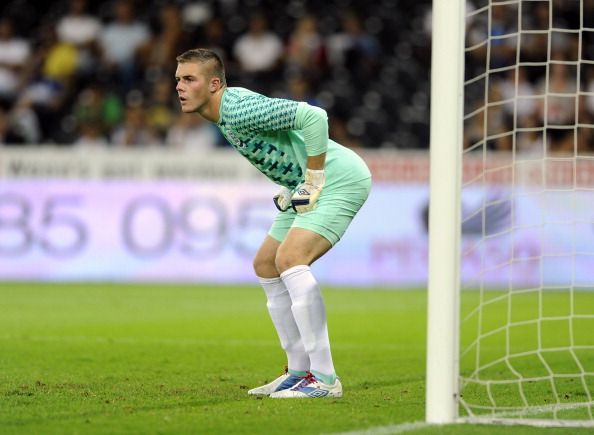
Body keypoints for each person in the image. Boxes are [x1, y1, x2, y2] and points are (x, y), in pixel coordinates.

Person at [174, 48, 372, 398]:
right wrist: (290, 185)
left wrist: (312, 180)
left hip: (339, 179)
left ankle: (325, 380)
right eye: (178, 79)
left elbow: (314, 117)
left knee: (290, 258)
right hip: (306, 185)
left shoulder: (236, 106)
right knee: (266, 264)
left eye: (189, 79)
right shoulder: (223, 116)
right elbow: (287, 143)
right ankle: (297, 372)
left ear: (215, 83)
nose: (180, 86)